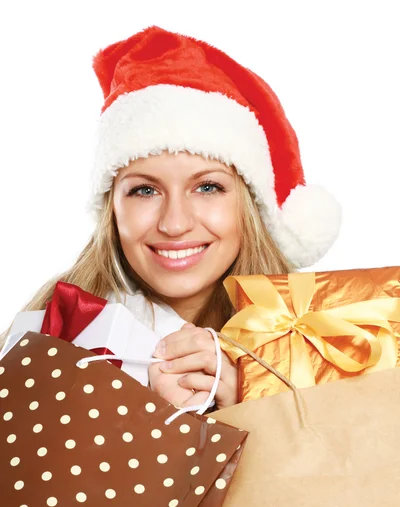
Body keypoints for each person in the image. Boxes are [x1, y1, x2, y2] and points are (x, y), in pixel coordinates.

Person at [2, 26, 341, 410]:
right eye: (145, 190)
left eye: (207, 187)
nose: (175, 223)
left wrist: (252, 409)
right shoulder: (55, 331)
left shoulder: (328, 343)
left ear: (249, 204)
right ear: (112, 208)